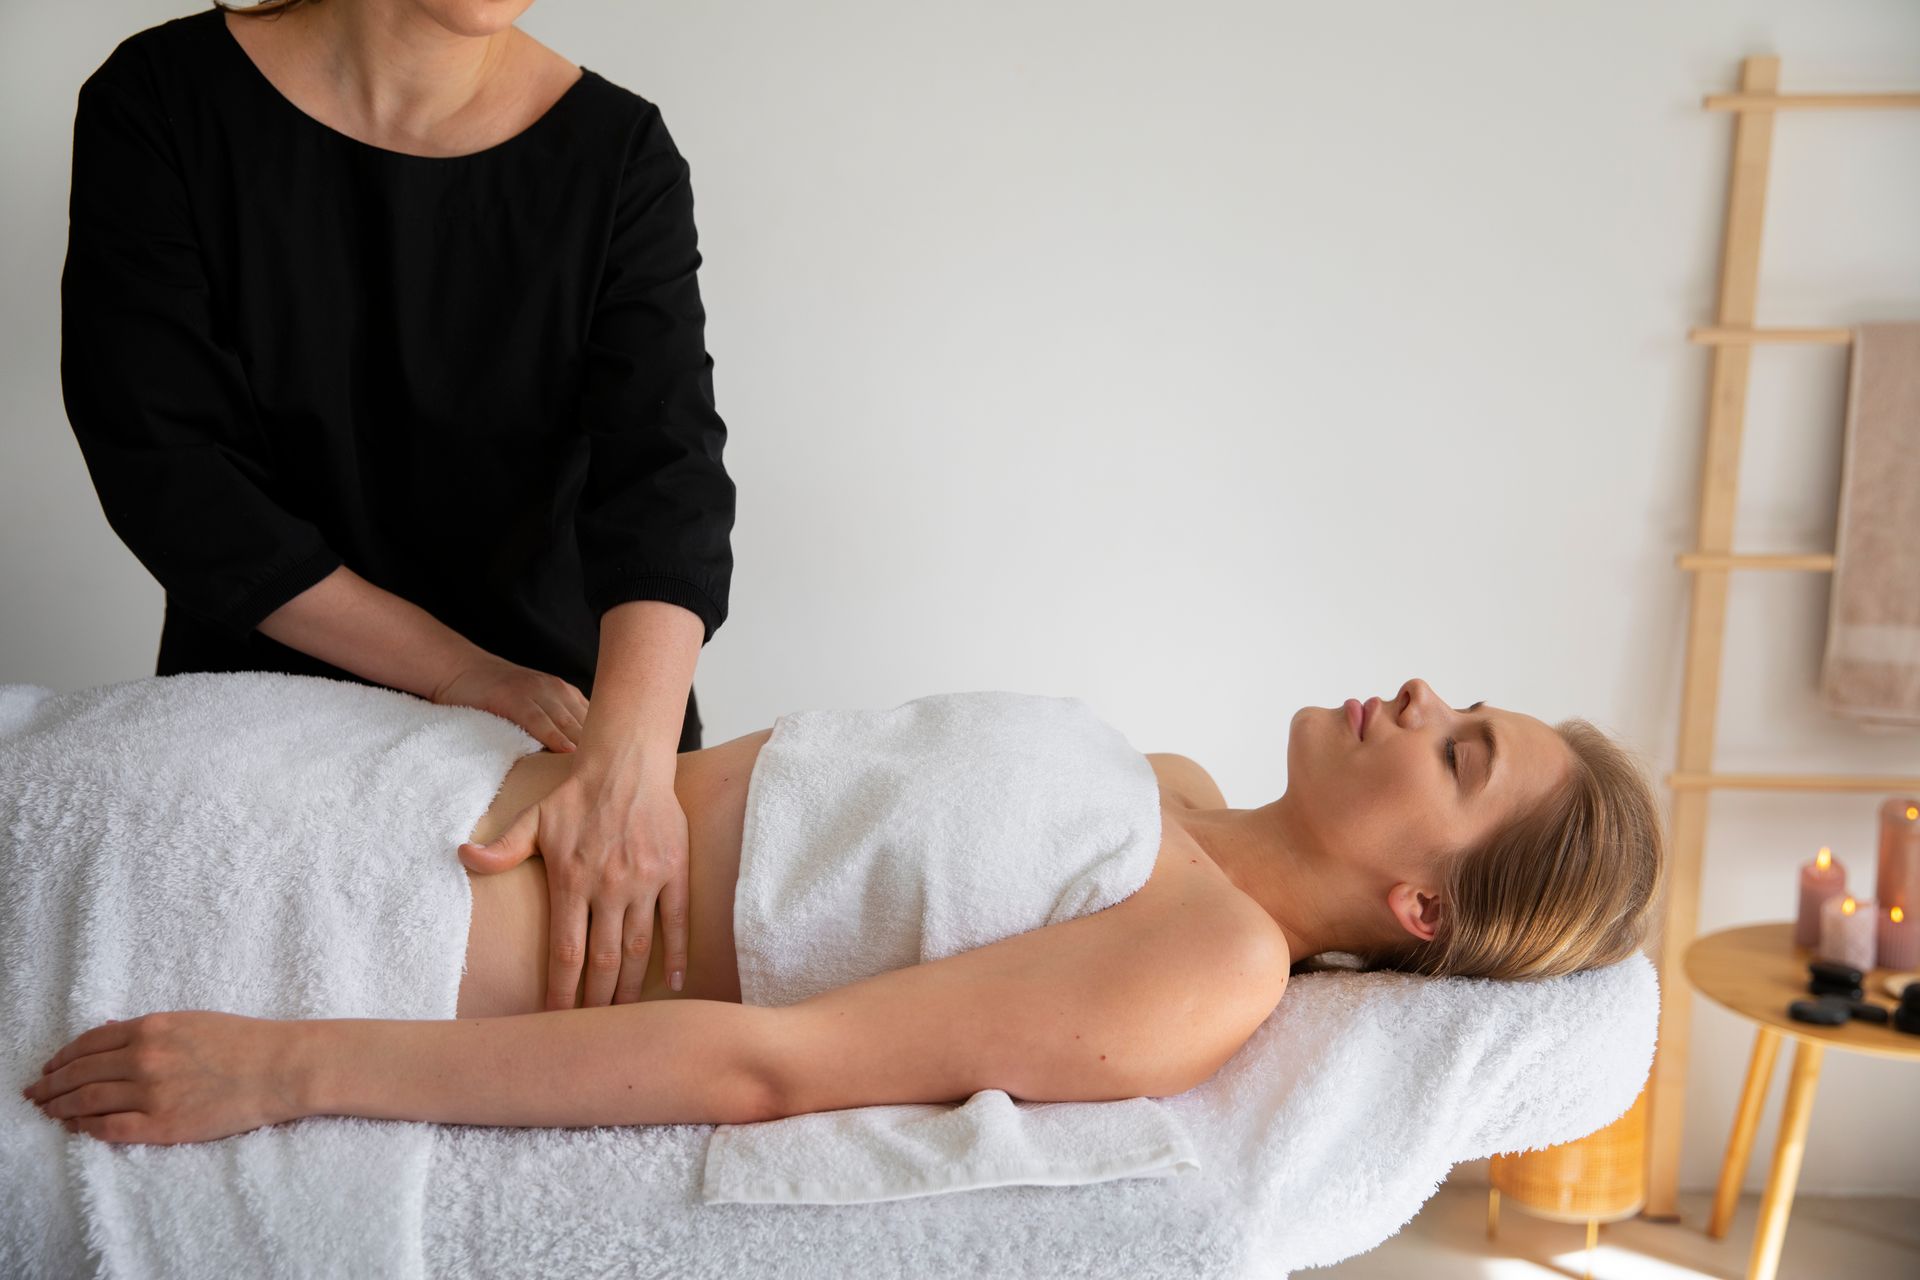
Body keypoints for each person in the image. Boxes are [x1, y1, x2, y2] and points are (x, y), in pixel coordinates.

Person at [22, 678, 1667, 1145]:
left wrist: (291, 1070)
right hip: (378, 782)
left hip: (403, 928)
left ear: (1419, 910)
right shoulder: (1156, 776)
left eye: (1462, 754)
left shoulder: (1206, 965)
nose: (1418, 691)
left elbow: (775, 1068)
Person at [59, 0, 733, 1012]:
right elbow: (175, 478)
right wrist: (459, 669)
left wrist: (629, 767)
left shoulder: (619, 153)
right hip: (271, 729)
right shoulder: (160, 101)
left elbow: (666, 484)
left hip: (570, 734)